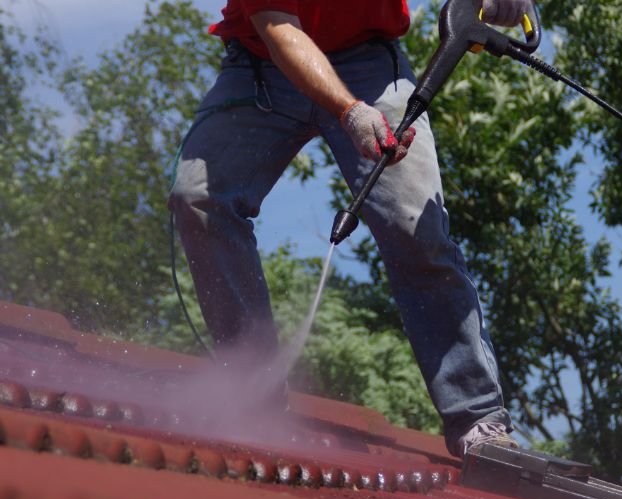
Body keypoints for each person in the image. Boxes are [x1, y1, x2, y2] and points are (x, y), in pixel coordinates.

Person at [168, 0, 531, 458]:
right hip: (263, 64)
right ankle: (253, 397)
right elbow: (278, 28)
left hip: (372, 66)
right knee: (199, 198)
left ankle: (478, 420)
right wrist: (350, 112)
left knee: (416, 228)